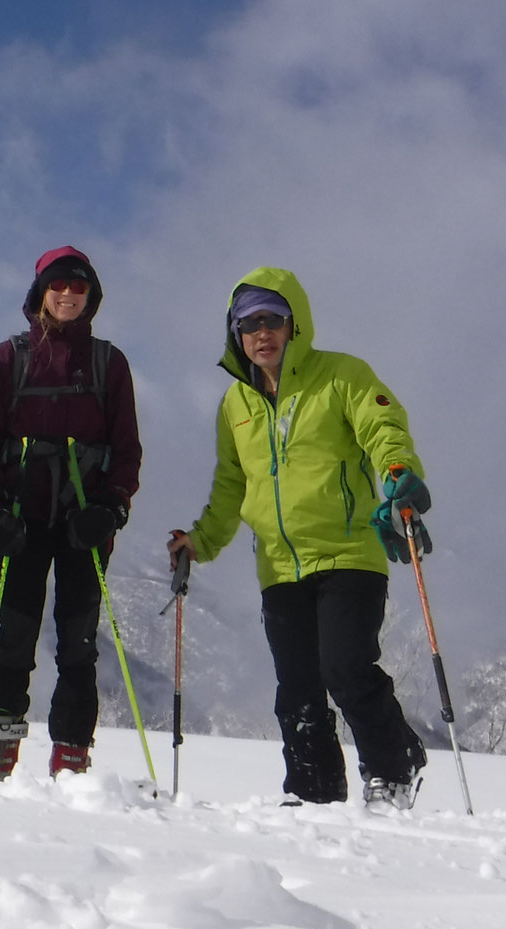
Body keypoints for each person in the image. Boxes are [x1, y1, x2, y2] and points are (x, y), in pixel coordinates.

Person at [167, 266, 434, 808]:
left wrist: (397, 475)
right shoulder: (235, 405)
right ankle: (313, 791)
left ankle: (391, 771)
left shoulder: (342, 376)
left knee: (345, 668)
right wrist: (200, 540)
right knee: (297, 690)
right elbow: (230, 486)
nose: (261, 333)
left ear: (295, 325)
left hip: (349, 552)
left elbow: (383, 431)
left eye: (272, 319)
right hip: (278, 566)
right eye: (248, 324)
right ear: (236, 336)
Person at [0, 247, 141, 788]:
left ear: (92, 296)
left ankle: (71, 757)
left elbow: (127, 447)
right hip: (20, 516)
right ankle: (1, 755)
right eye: (58, 285)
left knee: (78, 642)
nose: (67, 295)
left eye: (79, 287)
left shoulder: (109, 363)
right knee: (15, 636)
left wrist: (112, 509)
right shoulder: (8, 358)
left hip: (83, 521)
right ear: (40, 291)